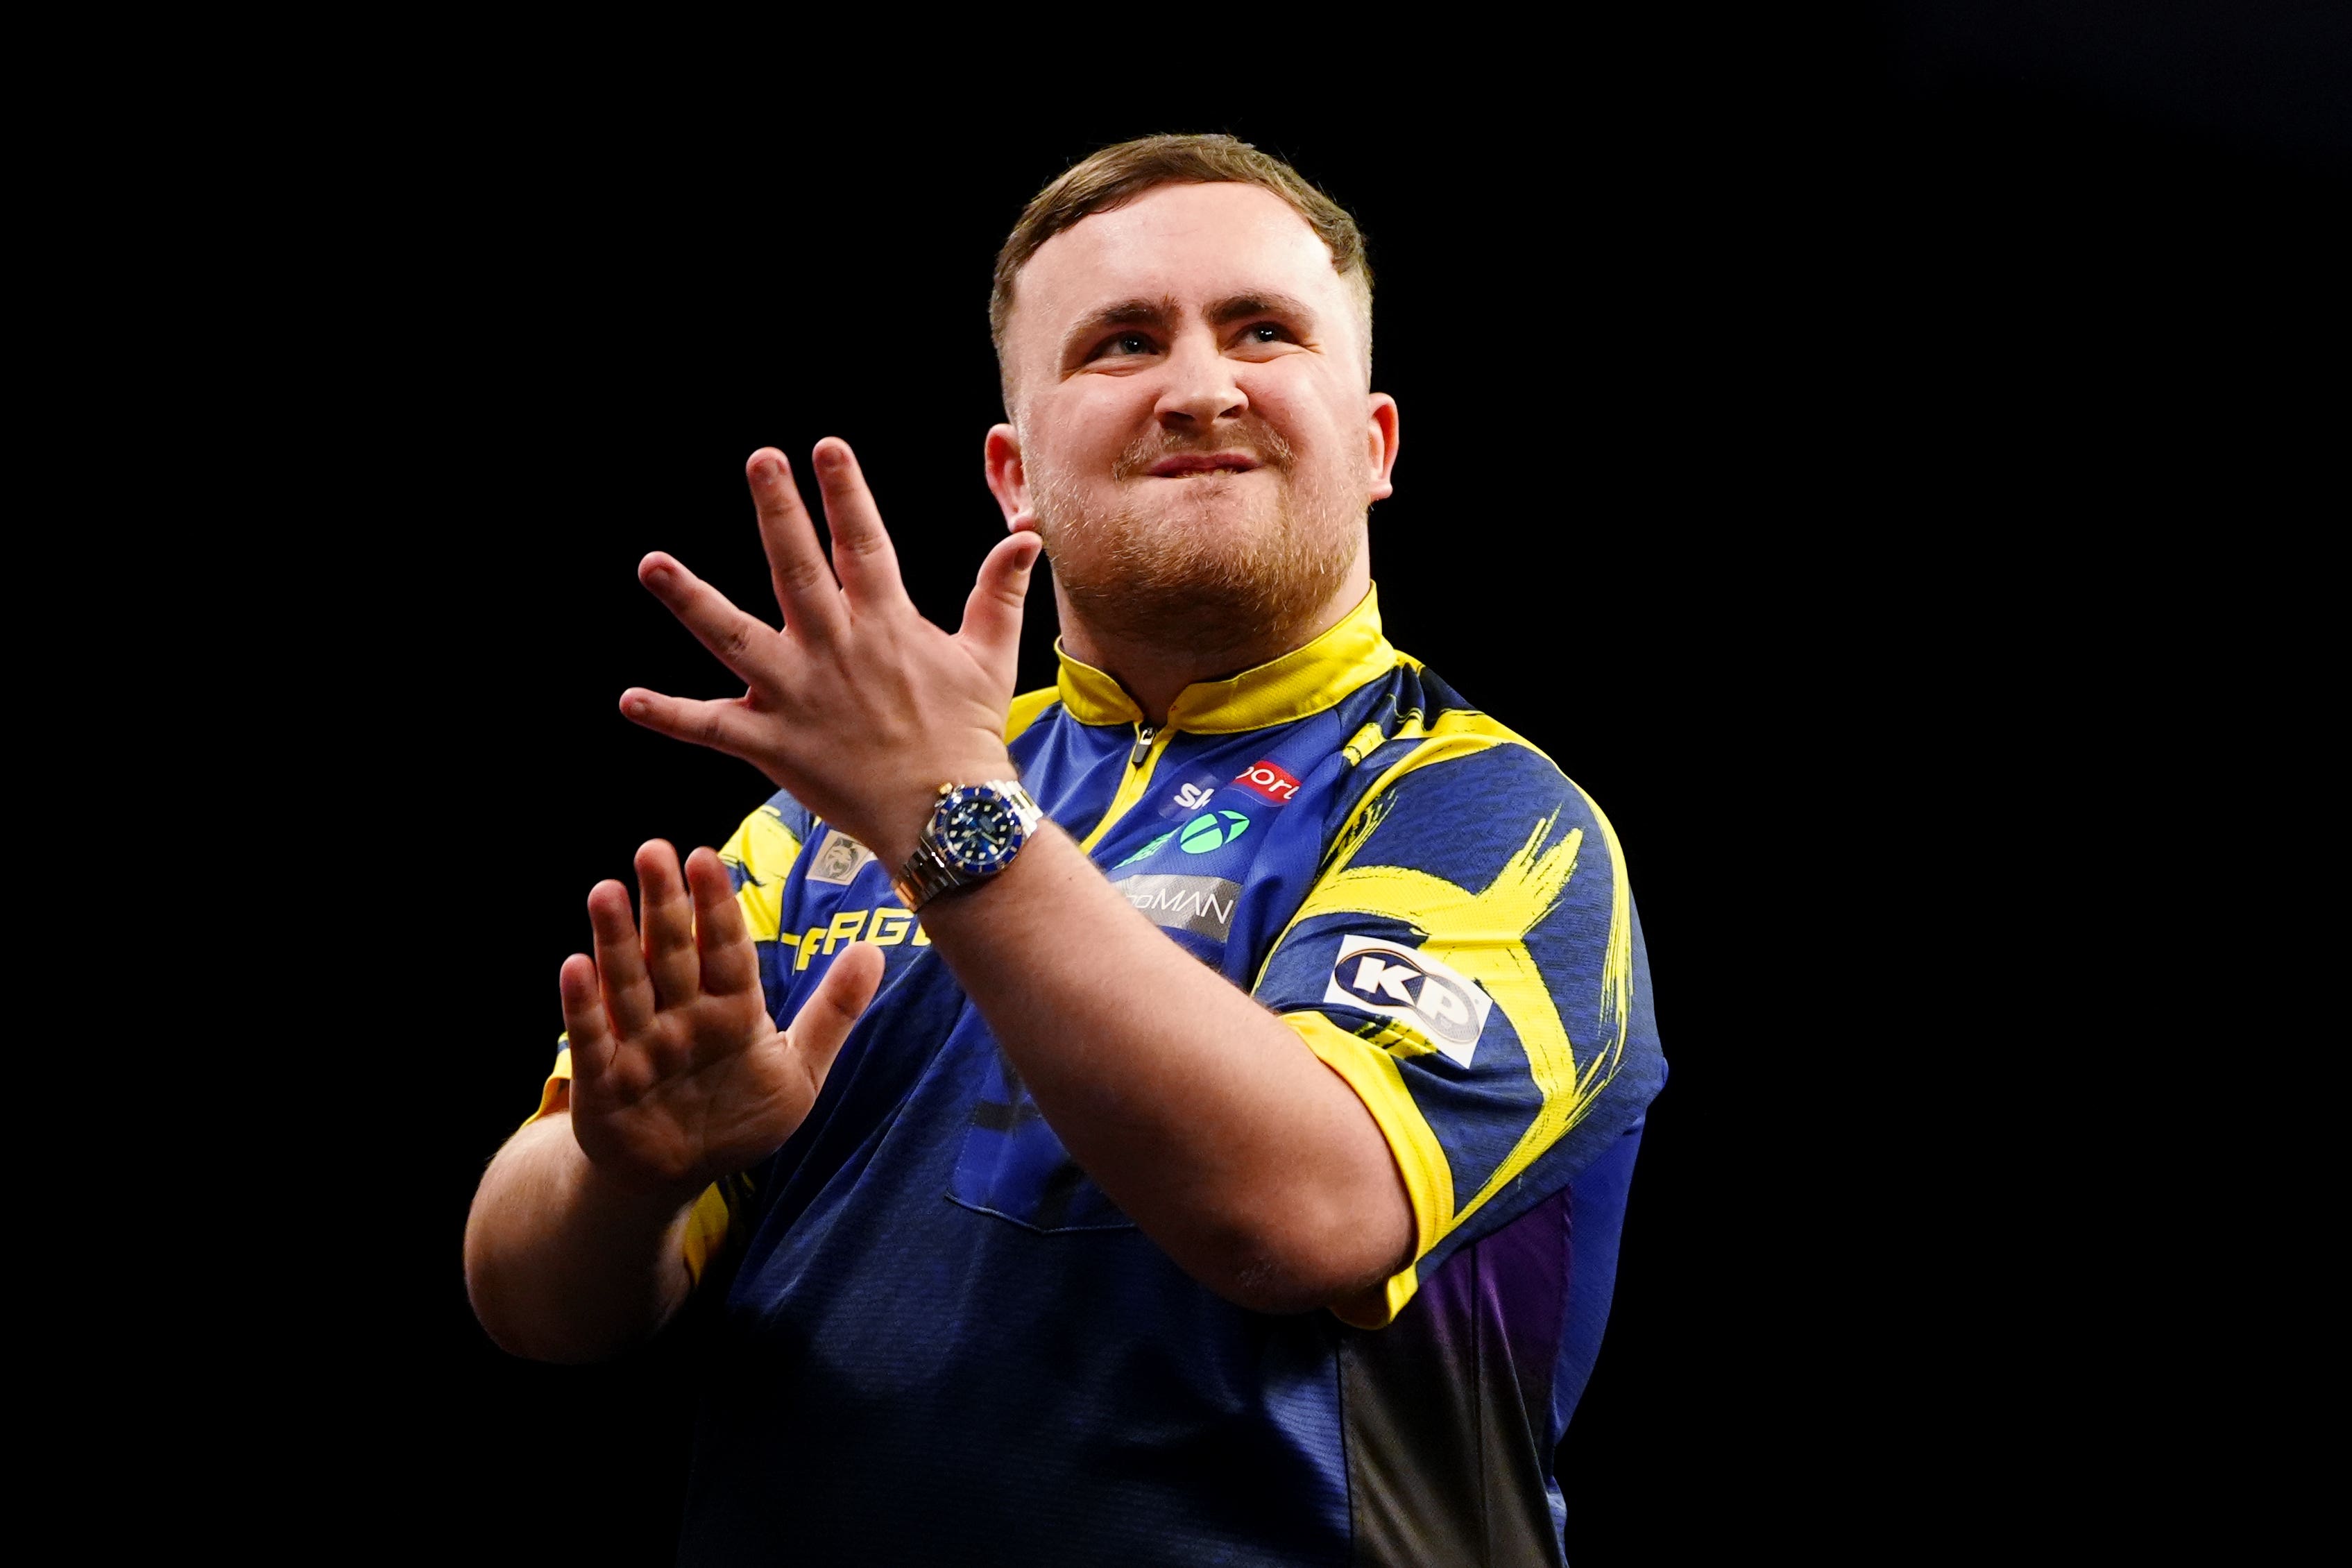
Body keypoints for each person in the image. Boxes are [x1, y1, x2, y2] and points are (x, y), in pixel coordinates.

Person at [464, 133, 1665, 1567]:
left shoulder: (1487, 816)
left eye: (1264, 330)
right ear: (1013, 473)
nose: (1201, 386)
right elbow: (529, 1299)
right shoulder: (830, 815)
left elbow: (1299, 1212)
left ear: (1373, 444)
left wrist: (946, 812)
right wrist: (629, 1177)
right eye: (1123, 341)